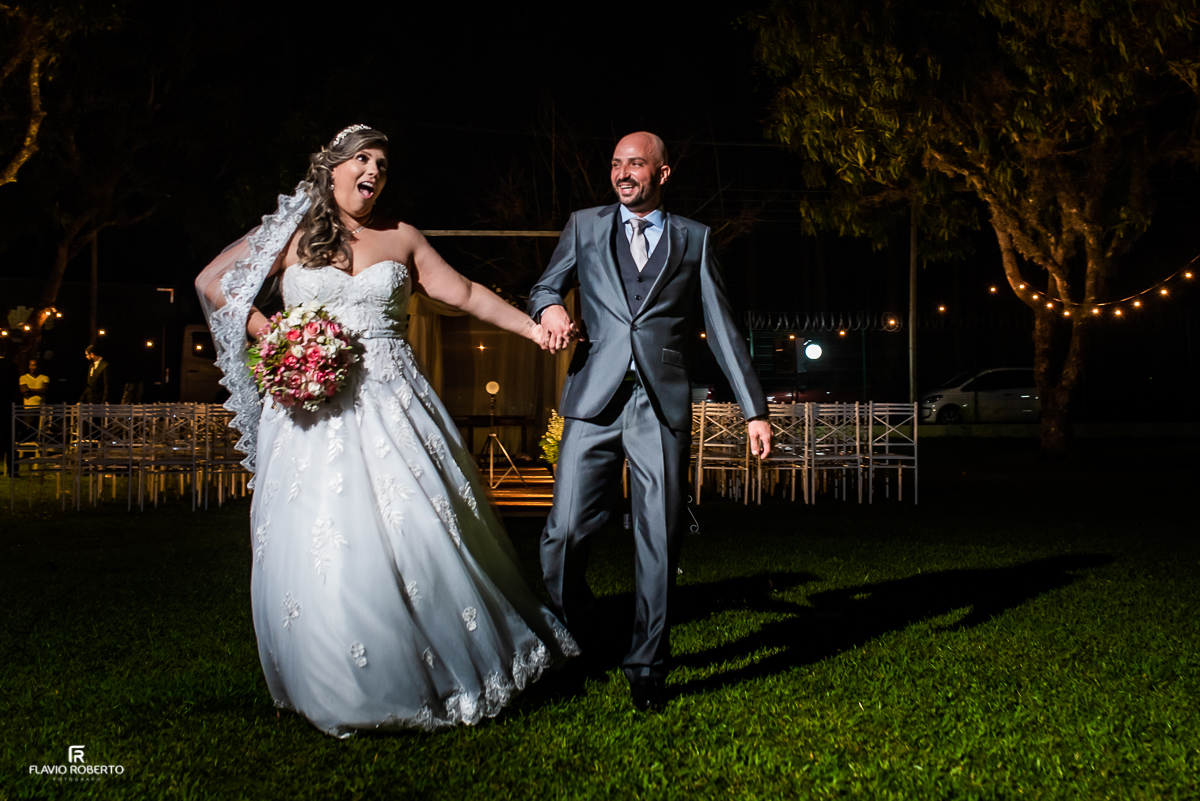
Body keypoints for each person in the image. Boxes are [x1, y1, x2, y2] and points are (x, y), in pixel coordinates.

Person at [195, 125, 577, 738]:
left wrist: (532, 329)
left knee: (419, 528)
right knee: (326, 537)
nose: (374, 172)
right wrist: (280, 339)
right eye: (362, 160)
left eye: (382, 164)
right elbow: (214, 284)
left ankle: (439, 658)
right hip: (310, 413)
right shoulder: (289, 238)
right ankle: (338, 679)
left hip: (393, 403)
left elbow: (467, 292)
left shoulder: (402, 238)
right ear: (332, 168)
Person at [528, 132, 771, 712]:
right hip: (592, 401)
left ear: (662, 173)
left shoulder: (696, 239)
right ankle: (571, 629)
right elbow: (542, 285)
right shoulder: (584, 226)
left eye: (635, 163)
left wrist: (754, 409)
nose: (622, 173)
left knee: (658, 537)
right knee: (563, 531)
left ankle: (647, 666)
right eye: (615, 163)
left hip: (658, 406)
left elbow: (724, 328)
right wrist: (552, 304)